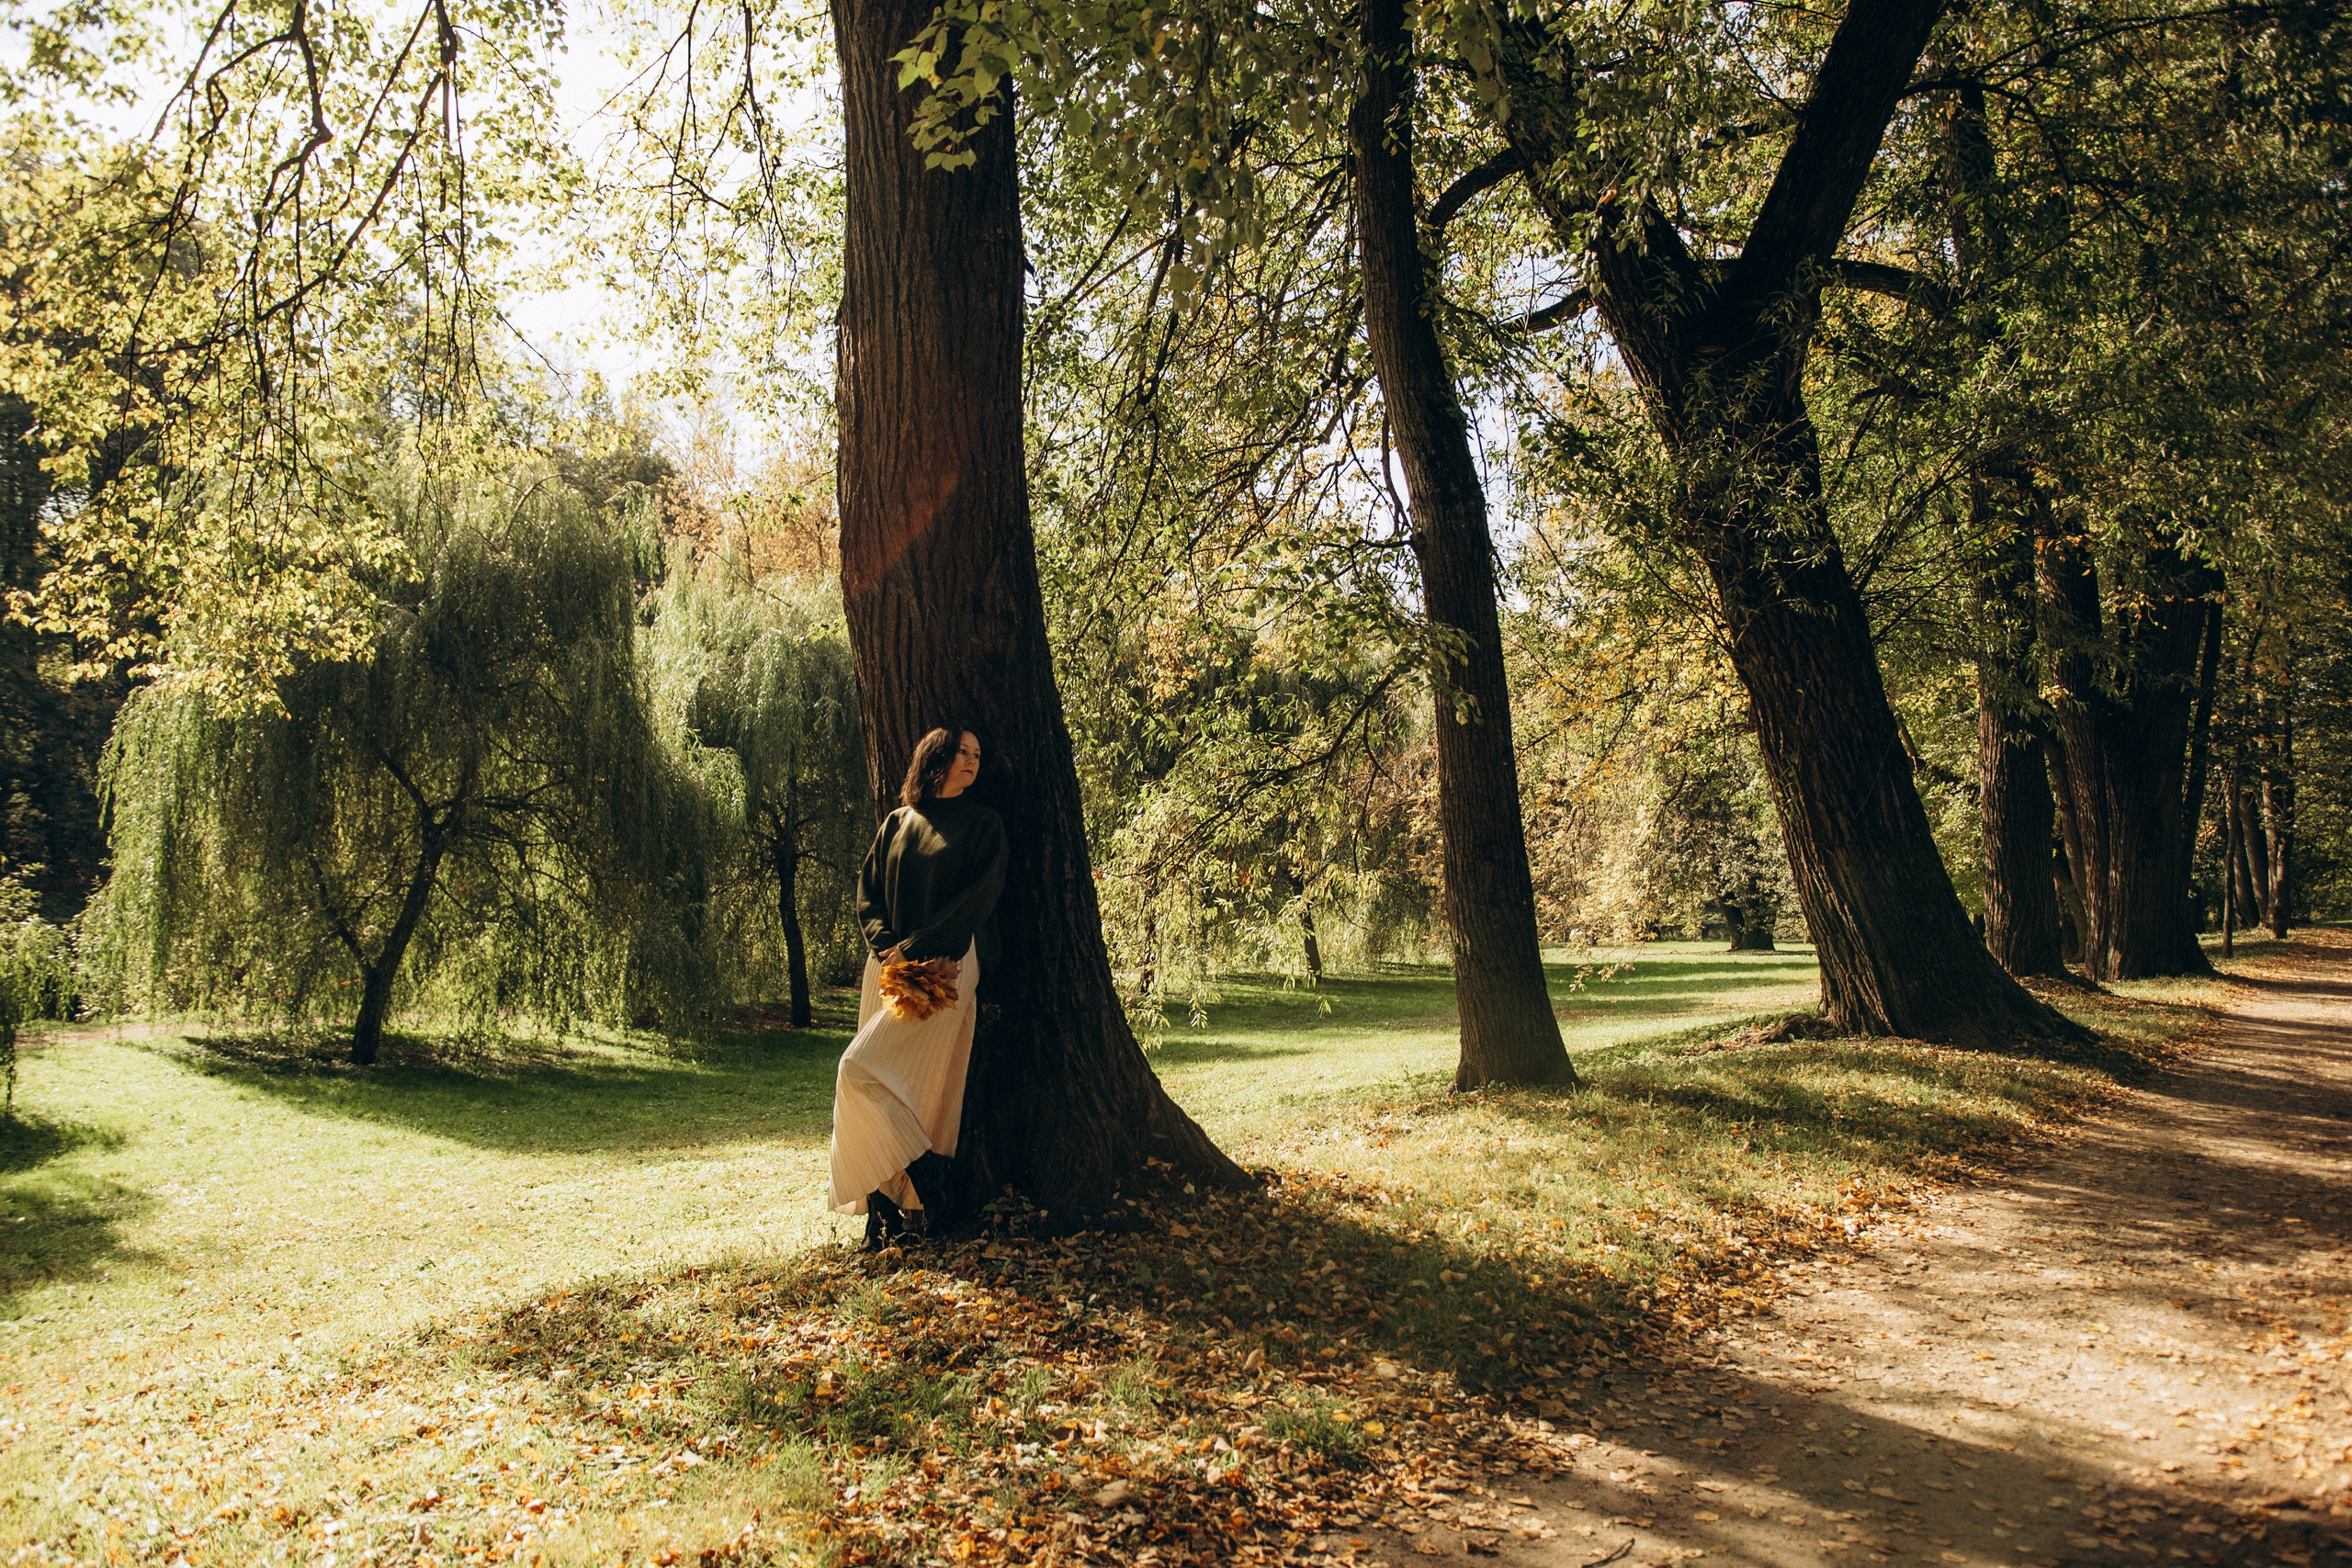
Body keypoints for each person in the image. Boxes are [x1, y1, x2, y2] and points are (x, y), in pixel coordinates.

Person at [829, 727, 1006, 1249]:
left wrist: (921, 946)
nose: (973, 761)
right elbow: (868, 894)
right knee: (886, 1085)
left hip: (946, 968)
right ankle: (885, 1215)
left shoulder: (983, 825)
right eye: (963, 753)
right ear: (936, 758)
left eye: (978, 754)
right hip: (887, 968)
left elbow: (980, 898)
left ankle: (930, 1192)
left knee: (886, 1080)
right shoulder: (897, 824)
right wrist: (889, 948)